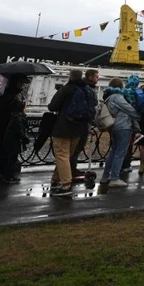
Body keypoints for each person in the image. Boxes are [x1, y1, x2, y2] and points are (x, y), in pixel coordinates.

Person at [47, 69, 97, 197]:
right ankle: (55, 180)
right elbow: (94, 105)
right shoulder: (88, 90)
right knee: (66, 156)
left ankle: (66, 185)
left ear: (70, 77)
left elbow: (52, 106)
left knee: (62, 155)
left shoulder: (66, 89)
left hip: (64, 127)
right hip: (80, 128)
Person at [101, 78, 141, 188]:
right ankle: (114, 178)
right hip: (123, 127)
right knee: (120, 153)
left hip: (113, 126)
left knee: (114, 152)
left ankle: (105, 176)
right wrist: (139, 115)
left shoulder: (108, 96)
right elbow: (130, 109)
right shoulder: (117, 97)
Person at [0, 74, 30, 184]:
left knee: (3, 150)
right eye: (20, 82)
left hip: (4, 125)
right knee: (10, 151)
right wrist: (15, 101)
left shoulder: (4, 92)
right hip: (12, 126)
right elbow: (16, 108)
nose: (22, 85)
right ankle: (7, 174)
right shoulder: (13, 95)